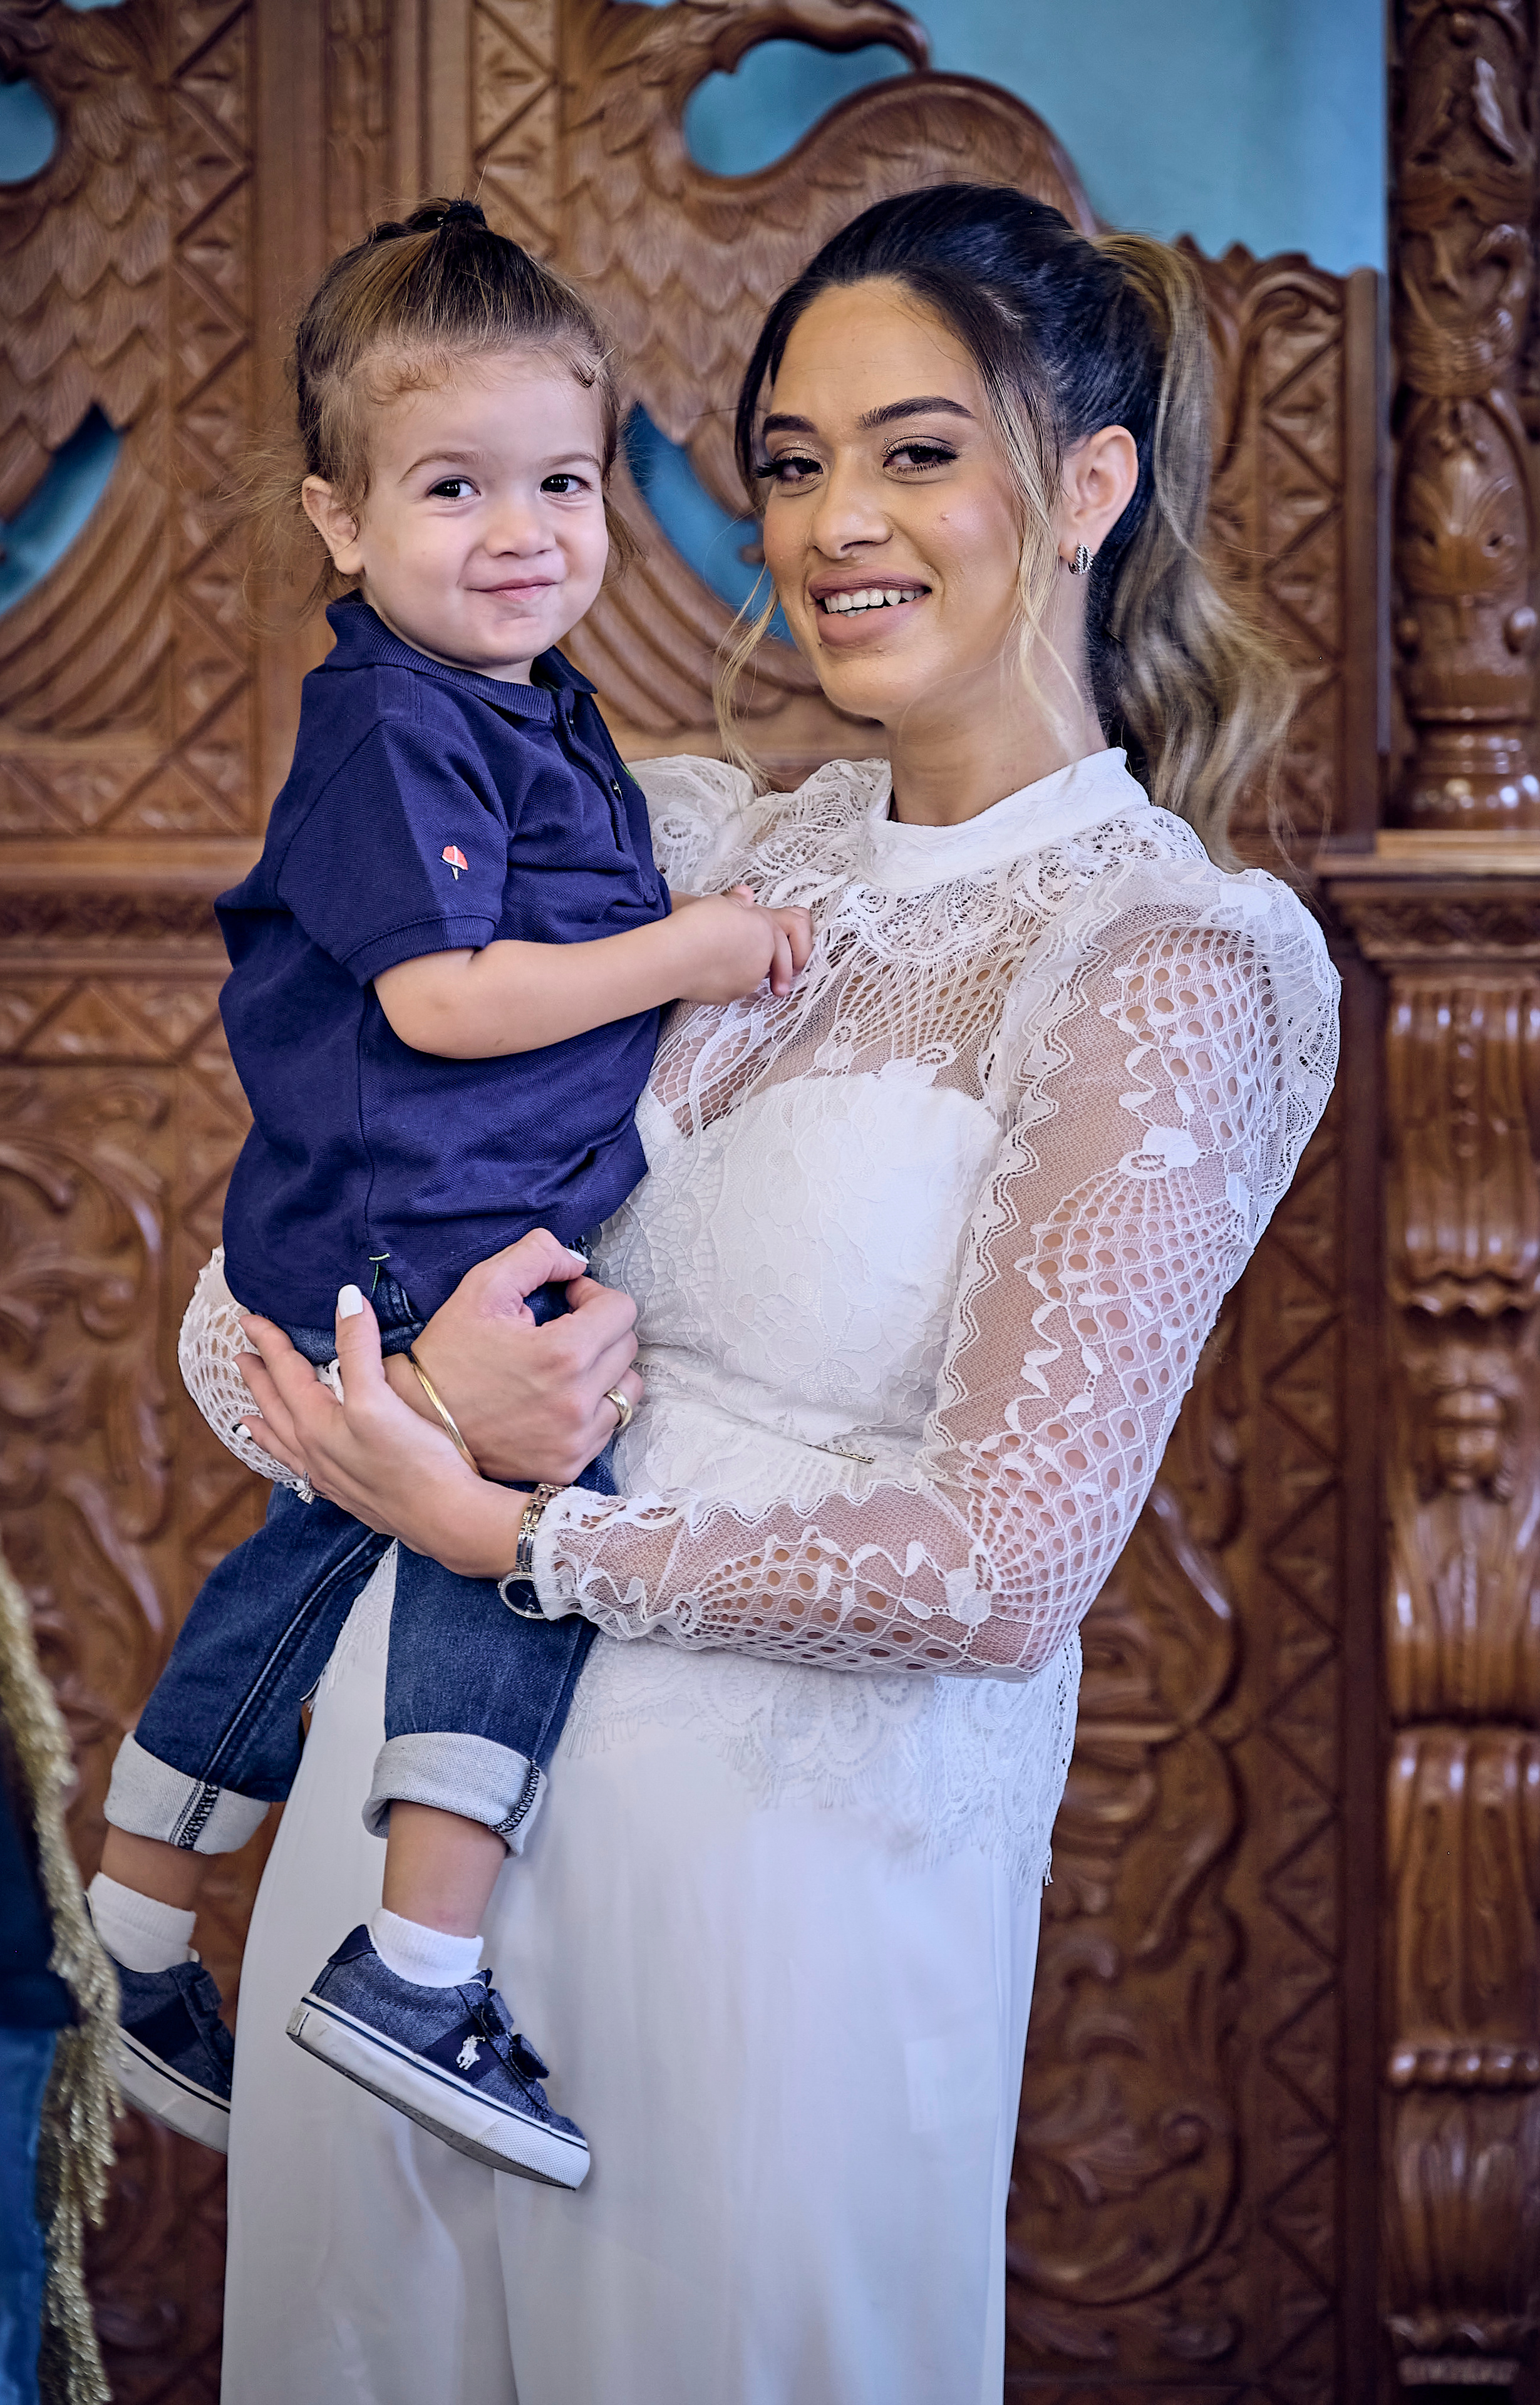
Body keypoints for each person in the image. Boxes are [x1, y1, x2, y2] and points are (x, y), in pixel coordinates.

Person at [215, 184, 1340, 2402]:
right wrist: (412, 1375)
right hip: (406, 1867)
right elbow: (242, 1280)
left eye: (919, 451)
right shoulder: (693, 840)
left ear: (1091, 484)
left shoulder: (1166, 961)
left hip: (780, 1926)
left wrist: (524, 1534)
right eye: (796, 462)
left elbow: (1007, 1568)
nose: (838, 521)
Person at [86, 198, 810, 2186]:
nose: (523, 531)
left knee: (317, 1545)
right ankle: (418, 1958)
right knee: (508, 1528)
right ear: (337, 519)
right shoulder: (399, 718)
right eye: (453, 485)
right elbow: (441, 992)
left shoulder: (509, 698)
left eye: (562, 481)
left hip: (415, 1209)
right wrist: (688, 954)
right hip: (424, 1216)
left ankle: (136, 1920)